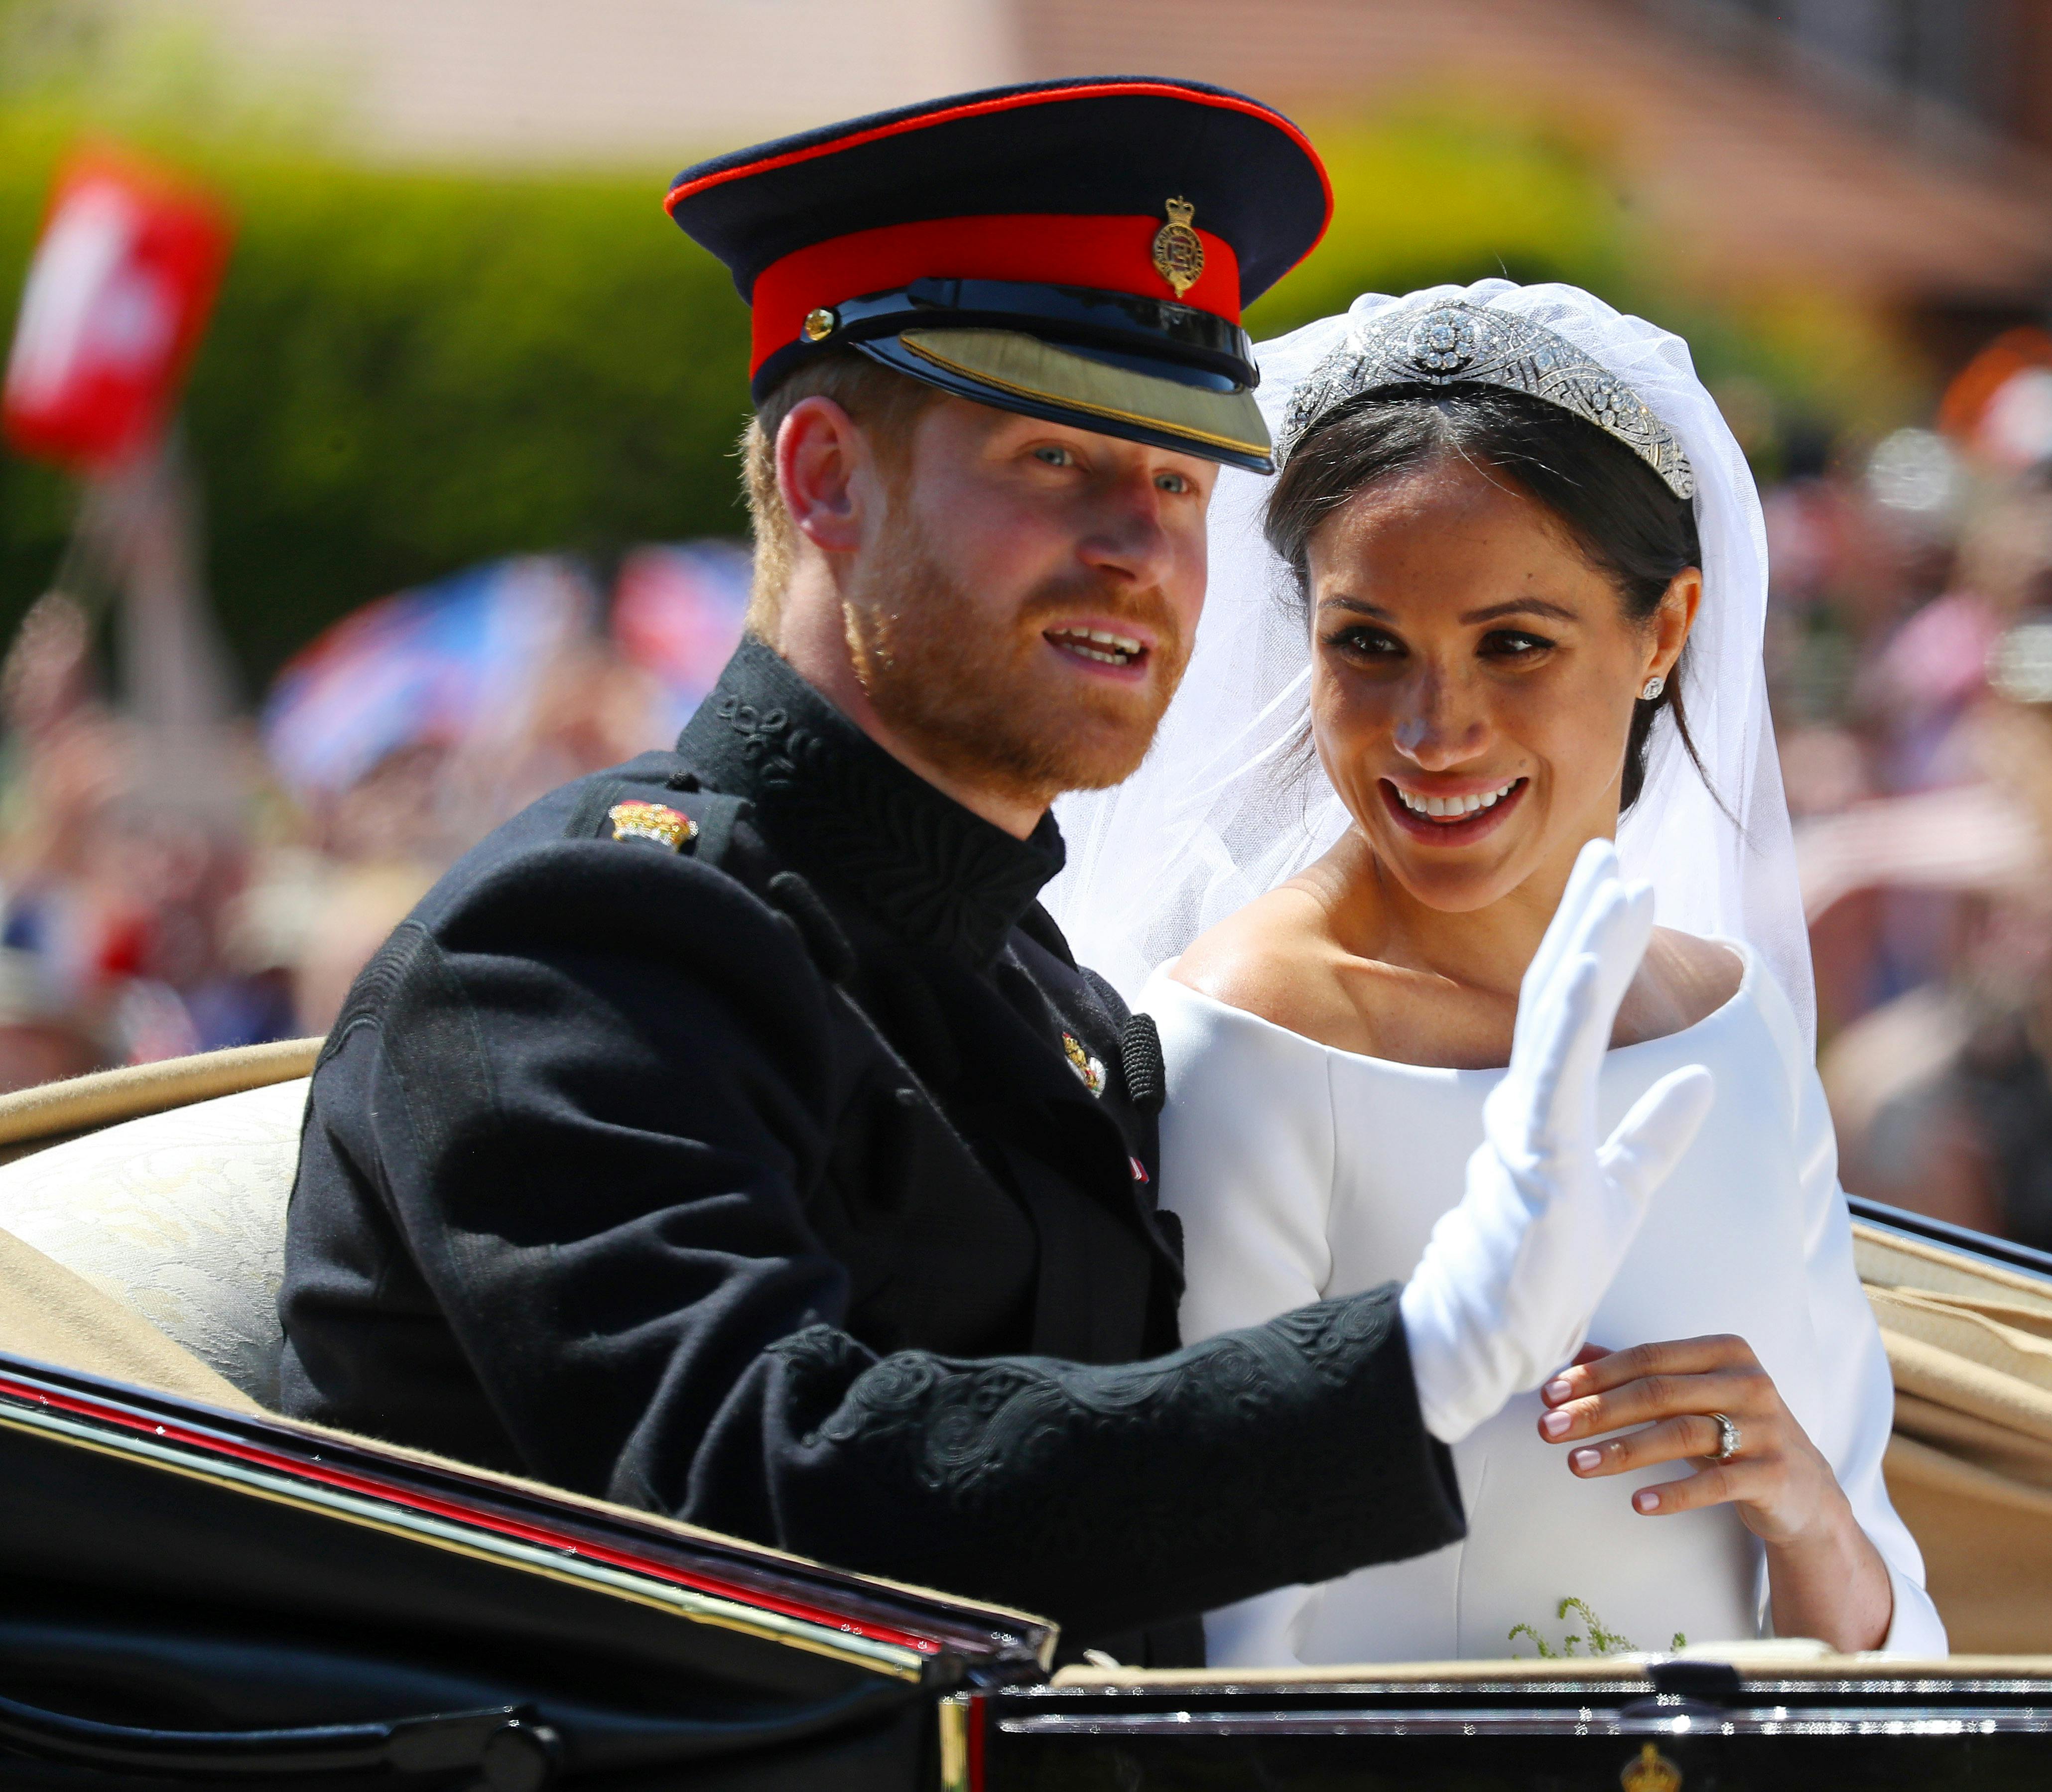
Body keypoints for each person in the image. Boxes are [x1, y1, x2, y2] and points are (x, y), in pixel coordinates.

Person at [277, 87, 1708, 1667]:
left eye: (1176, 482)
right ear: (823, 477)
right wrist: (1411, 1363)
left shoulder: (1035, 985)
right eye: (1053, 457)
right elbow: (762, 1492)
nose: (1139, 549)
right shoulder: (578, 949)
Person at [1051, 282, 1945, 1659]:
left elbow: (1881, 1618)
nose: (1434, 730)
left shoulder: (1732, 1021)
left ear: (1662, 632)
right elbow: (1219, 1636)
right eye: (1369, 648)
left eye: (1513, 644)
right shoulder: (1249, 1040)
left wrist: (1802, 1505)